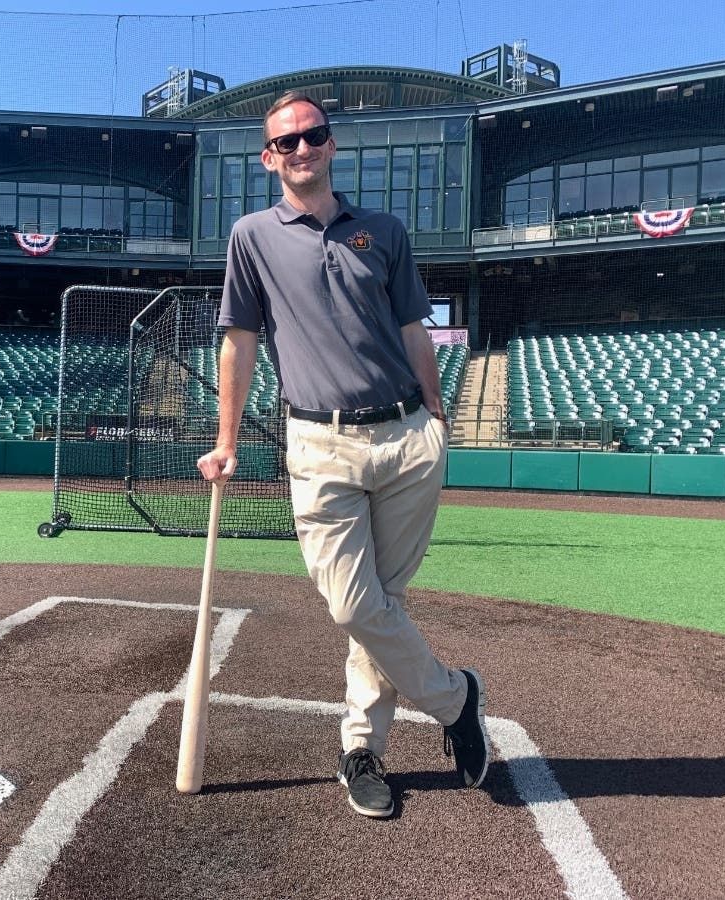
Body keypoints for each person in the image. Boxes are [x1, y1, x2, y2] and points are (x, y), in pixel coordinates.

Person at [197, 91, 489, 819]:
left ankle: (361, 749)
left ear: (331, 145)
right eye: (286, 142)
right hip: (318, 442)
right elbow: (239, 340)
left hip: (405, 437)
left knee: (381, 606)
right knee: (354, 604)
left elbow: (414, 328)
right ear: (269, 158)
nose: (301, 149)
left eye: (313, 136)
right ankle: (456, 699)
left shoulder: (383, 231)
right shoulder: (251, 236)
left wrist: (436, 413)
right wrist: (226, 439)